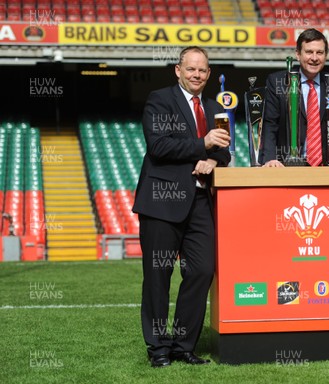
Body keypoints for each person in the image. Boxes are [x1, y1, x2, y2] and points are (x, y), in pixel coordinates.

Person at [132, 46, 231, 368]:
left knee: (202, 270)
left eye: (202, 70)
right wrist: (202, 145)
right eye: (191, 69)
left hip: (201, 201)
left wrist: (212, 160)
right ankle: (158, 348)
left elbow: (225, 153)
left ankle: (183, 345)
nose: (197, 75)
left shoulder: (216, 107)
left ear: (209, 73)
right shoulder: (160, 99)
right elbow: (158, 146)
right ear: (178, 70)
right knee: (158, 276)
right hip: (162, 201)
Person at [259, 28, 329, 166]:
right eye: (309, 52)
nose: (314, 58)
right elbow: (269, 124)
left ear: (325, 55)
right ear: (298, 54)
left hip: (325, 168)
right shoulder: (278, 82)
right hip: (285, 167)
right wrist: (270, 159)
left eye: (319, 52)